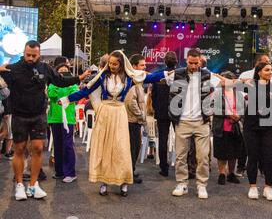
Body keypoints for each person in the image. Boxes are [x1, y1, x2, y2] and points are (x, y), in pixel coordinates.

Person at [59, 50, 165, 197]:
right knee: (105, 147)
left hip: (120, 114)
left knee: (121, 147)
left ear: (121, 64)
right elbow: (86, 91)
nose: (112, 66)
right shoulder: (103, 76)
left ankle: (123, 182)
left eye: (115, 64)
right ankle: (104, 182)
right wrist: (67, 99)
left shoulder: (129, 77)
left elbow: (151, 77)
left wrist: (170, 73)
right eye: (110, 63)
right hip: (105, 114)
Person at [0, 40, 91, 201]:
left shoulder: (45, 68)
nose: (30, 58)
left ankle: (34, 185)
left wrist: (79, 78)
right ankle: (20, 185)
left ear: (39, 54)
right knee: (19, 149)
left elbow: (61, 81)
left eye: (34, 55)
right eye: (28, 54)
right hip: (19, 115)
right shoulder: (12, 69)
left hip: (39, 115)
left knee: (38, 148)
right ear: (23, 52)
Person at [166, 48, 214, 199]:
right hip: (183, 121)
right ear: (186, 60)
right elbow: (168, 89)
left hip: (202, 121)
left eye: (196, 63)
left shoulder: (207, 75)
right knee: (180, 156)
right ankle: (182, 183)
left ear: (200, 61)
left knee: (203, 157)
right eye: (191, 62)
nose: (193, 66)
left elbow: (219, 88)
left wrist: (210, 111)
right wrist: (173, 115)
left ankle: (201, 185)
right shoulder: (178, 73)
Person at [244, 61, 272, 201]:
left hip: (269, 126)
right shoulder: (251, 85)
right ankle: (252, 186)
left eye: (271, 70)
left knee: (269, 158)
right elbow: (232, 83)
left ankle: (268, 188)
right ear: (259, 72)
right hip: (251, 126)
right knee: (252, 157)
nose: (270, 72)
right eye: (267, 70)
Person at [236, 53, 271, 177]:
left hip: (265, 114)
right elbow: (238, 92)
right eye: (266, 62)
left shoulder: (270, 76)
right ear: (258, 63)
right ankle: (240, 166)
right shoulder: (245, 75)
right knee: (245, 142)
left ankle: (262, 167)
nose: (269, 64)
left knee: (263, 142)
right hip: (247, 112)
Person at [47, 57, 79, 183]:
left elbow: (73, 95)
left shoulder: (73, 84)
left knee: (67, 145)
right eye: (61, 71)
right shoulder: (52, 84)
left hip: (68, 119)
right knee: (58, 145)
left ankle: (70, 172)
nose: (63, 73)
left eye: (66, 71)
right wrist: (58, 83)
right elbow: (52, 94)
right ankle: (59, 171)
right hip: (55, 118)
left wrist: (66, 84)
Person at [212, 71, 242, 185]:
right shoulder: (217, 93)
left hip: (235, 127)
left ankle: (231, 173)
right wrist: (229, 114)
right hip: (221, 126)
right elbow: (214, 108)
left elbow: (243, 108)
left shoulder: (238, 94)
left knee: (233, 152)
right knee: (221, 152)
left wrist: (238, 116)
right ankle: (222, 173)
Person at [152, 51, 177, 177]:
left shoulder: (158, 76)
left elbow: (153, 96)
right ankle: (182, 165)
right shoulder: (180, 76)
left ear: (165, 62)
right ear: (176, 62)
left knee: (163, 139)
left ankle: (164, 167)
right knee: (181, 140)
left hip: (162, 112)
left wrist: (156, 108)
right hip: (177, 112)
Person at [124, 54, 147, 184]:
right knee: (133, 148)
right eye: (142, 65)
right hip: (132, 121)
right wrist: (141, 115)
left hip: (133, 120)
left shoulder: (136, 80)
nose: (145, 67)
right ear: (134, 66)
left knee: (133, 148)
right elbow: (130, 101)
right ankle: (129, 174)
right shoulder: (133, 81)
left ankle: (130, 171)